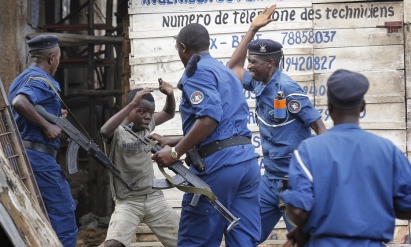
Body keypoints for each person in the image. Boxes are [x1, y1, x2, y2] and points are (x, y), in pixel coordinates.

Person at [150, 23, 261, 247]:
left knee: (196, 240)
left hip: (218, 168)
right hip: (247, 165)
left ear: (182, 47)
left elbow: (210, 119)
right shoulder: (225, 72)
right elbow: (222, 129)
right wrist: (173, 141)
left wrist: (174, 152)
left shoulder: (197, 72)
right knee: (243, 240)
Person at [227, 4, 327, 243]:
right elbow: (233, 68)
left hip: (295, 184)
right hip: (269, 182)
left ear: (269, 63)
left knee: (304, 241)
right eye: (250, 61)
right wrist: (252, 29)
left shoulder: (289, 90)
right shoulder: (258, 82)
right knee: (244, 235)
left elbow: (320, 128)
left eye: (254, 62)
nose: (249, 66)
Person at [280, 69, 411, 246]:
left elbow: (297, 210)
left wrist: (308, 229)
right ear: (363, 106)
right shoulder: (388, 151)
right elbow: (406, 206)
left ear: (329, 107)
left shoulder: (309, 150)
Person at [8, 34, 78, 247]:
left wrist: (54, 116)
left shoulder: (23, 77)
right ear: (52, 58)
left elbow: (25, 105)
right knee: (64, 214)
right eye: (58, 57)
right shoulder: (41, 80)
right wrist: (47, 126)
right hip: (39, 159)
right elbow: (20, 102)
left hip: (23, 155)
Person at [100, 83, 179, 247]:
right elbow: (104, 131)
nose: (147, 116)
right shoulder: (118, 131)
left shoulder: (148, 125)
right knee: (113, 244)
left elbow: (169, 113)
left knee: (184, 241)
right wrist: (132, 103)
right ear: (130, 108)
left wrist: (170, 95)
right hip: (128, 202)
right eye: (141, 111)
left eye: (150, 112)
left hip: (154, 198)